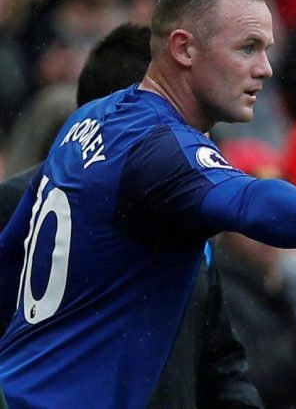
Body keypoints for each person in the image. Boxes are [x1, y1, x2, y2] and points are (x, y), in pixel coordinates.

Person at [0, 0, 296, 409]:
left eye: (266, 50)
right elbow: (248, 198)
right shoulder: (161, 151)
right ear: (183, 48)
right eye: (247, 48)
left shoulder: (91, 119)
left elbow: (10, 252)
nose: (265, 69)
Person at [0, 23, 263, 408]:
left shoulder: (185, 216)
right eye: (183, 127)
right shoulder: (14, 206)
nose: (201, 146)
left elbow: (221, 366)